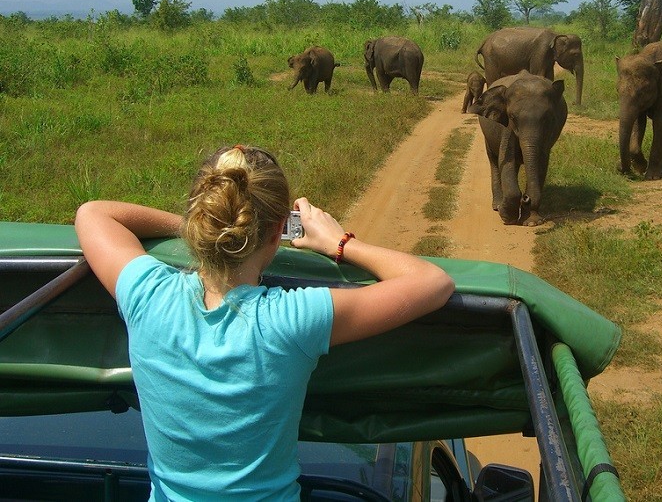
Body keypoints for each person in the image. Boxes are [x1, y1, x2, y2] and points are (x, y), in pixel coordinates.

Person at [74, 144, 454, 501]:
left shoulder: (147, 296)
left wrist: (209, 226)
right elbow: (433, 283)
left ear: (199, 219)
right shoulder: (292, 320)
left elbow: (93, 213)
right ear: (277, 234)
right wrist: (340, 243)